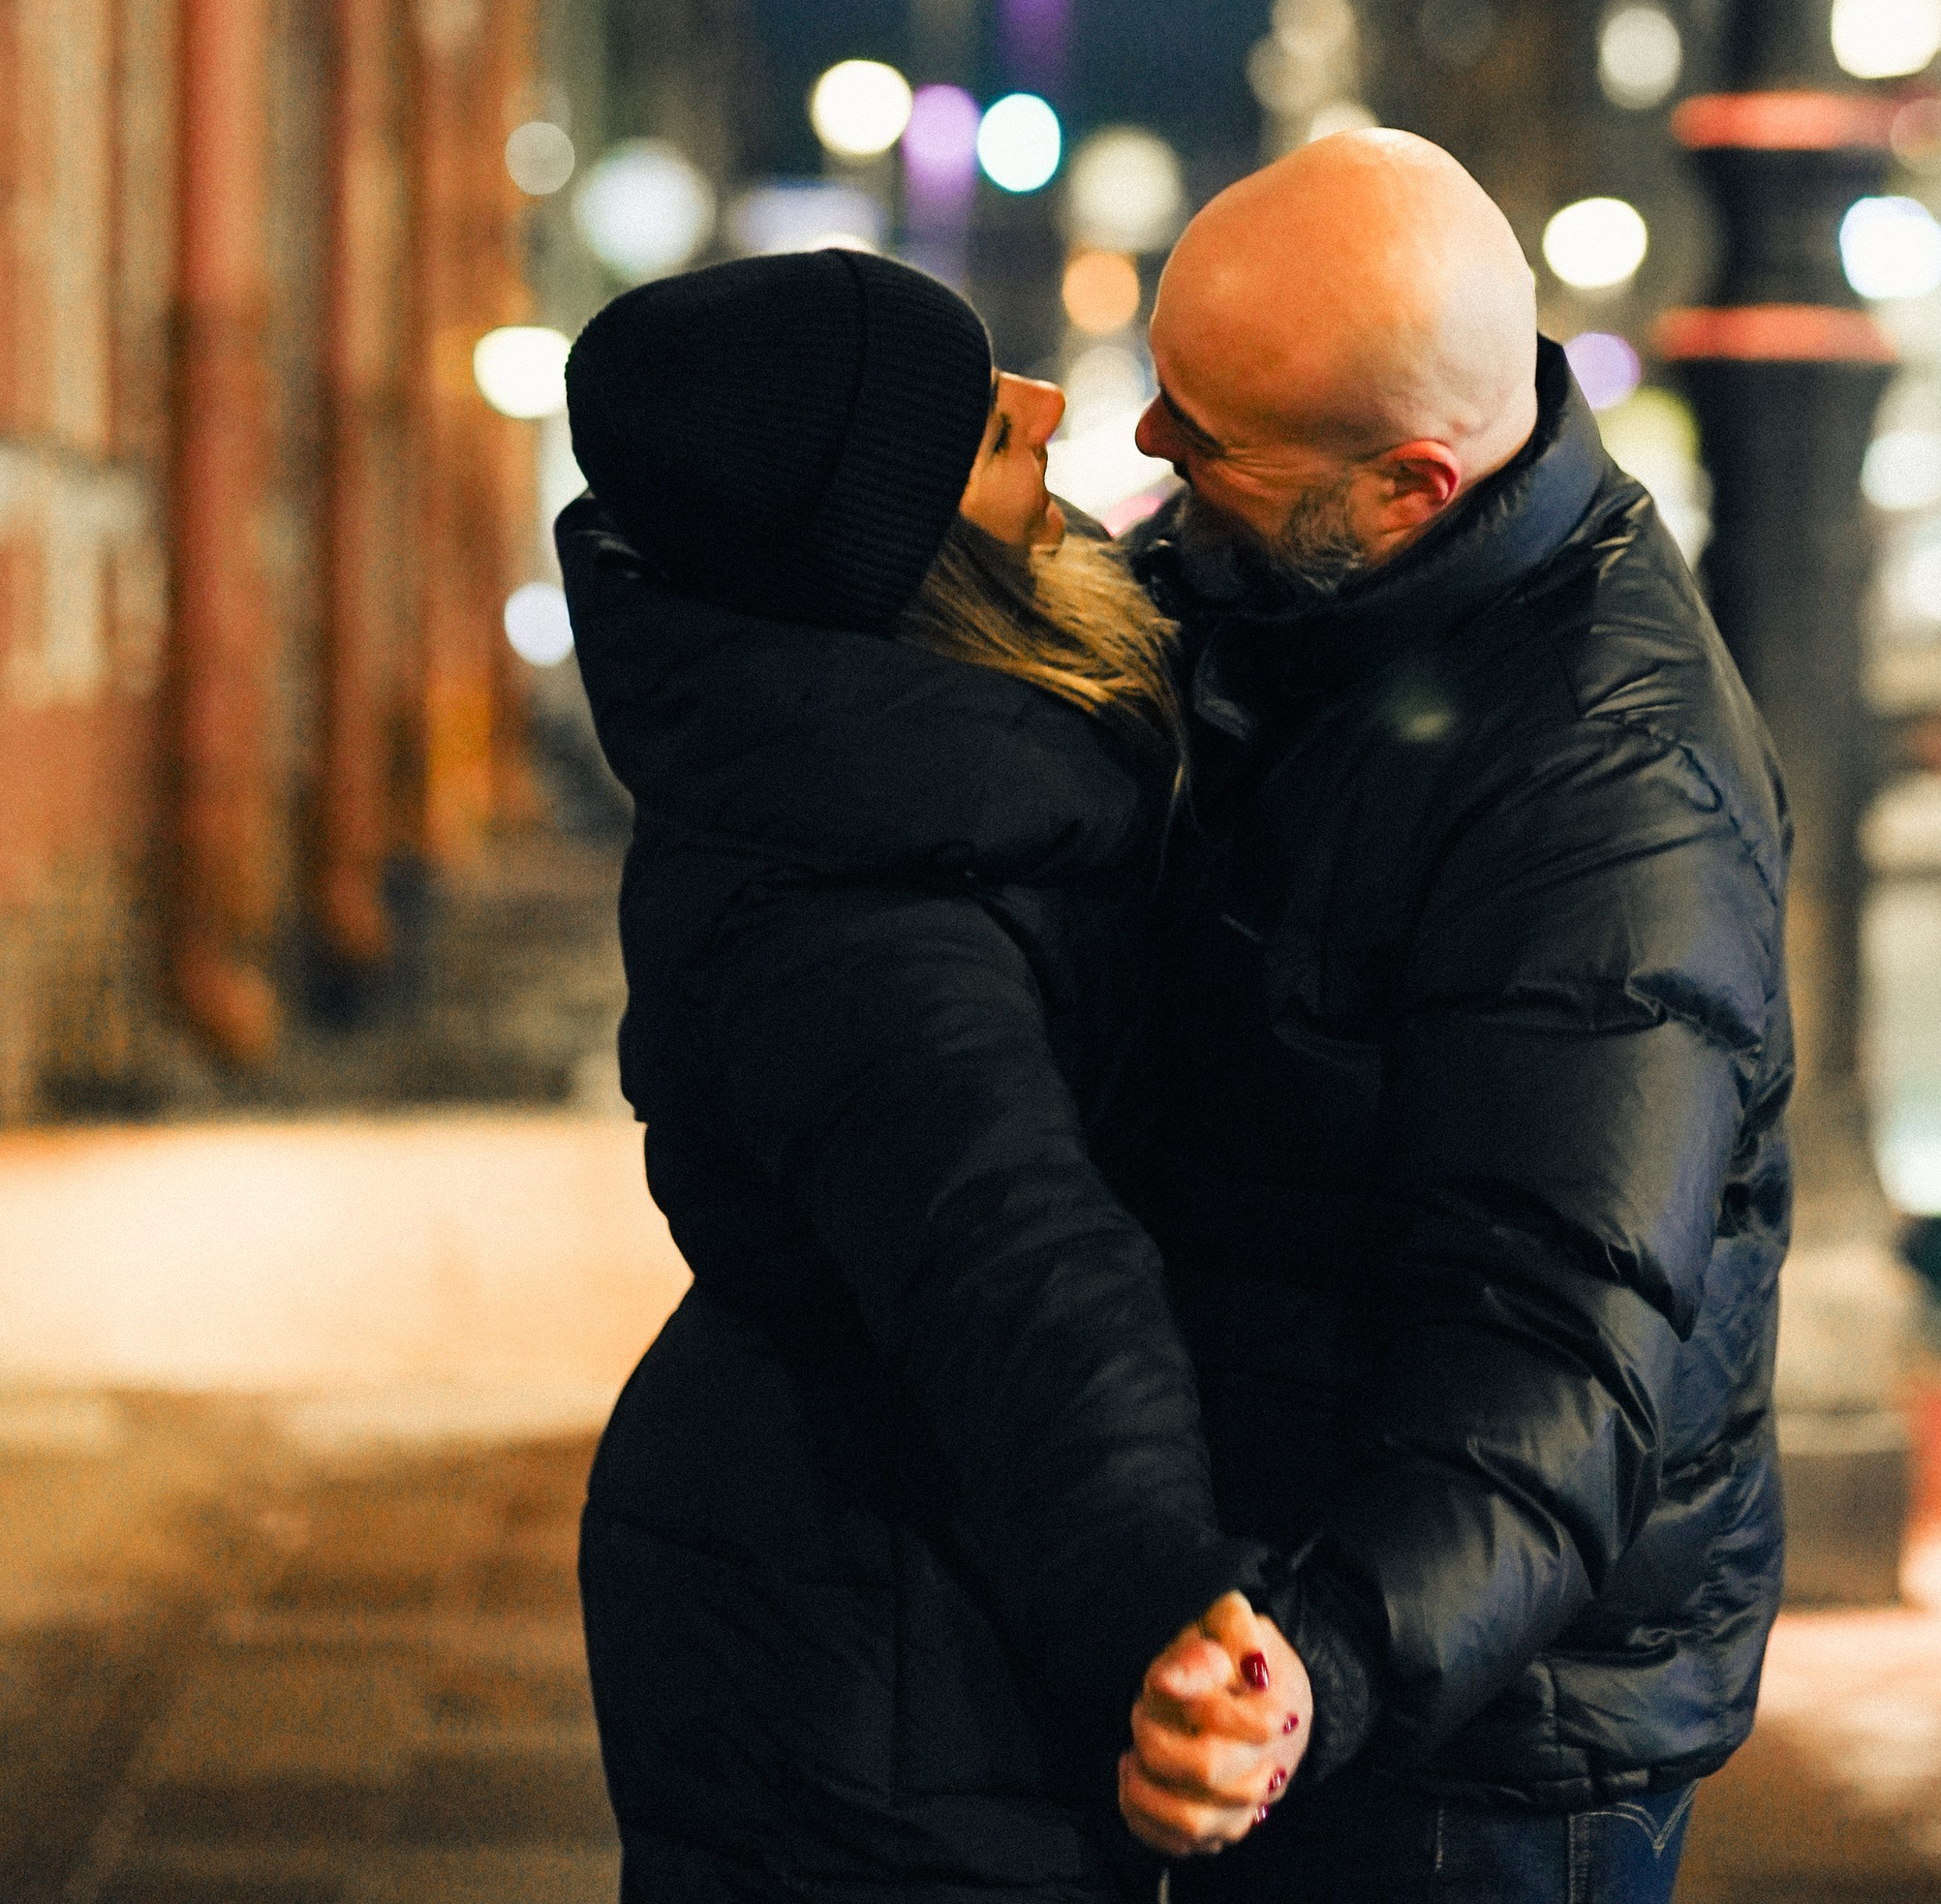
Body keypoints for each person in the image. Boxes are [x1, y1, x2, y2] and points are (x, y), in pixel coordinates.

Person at [559, 246, 1309, 1902]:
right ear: (891, 555)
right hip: (869, 1648)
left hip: (875, 1572)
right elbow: (1015, 1256)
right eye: (981, 428)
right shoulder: (861, 902)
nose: (1042, 404)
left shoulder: (910, 747)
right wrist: (1168, 1614)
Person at [1113, 129, 1792, 1904]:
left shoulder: (1610, 790)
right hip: (1314, 1649)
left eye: (1207, 435)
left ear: (1412, 484)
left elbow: (1555, 1343)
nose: (1148, 453)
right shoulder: (1322, 586)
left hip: (1471, 1766)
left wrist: (1312, 1665)